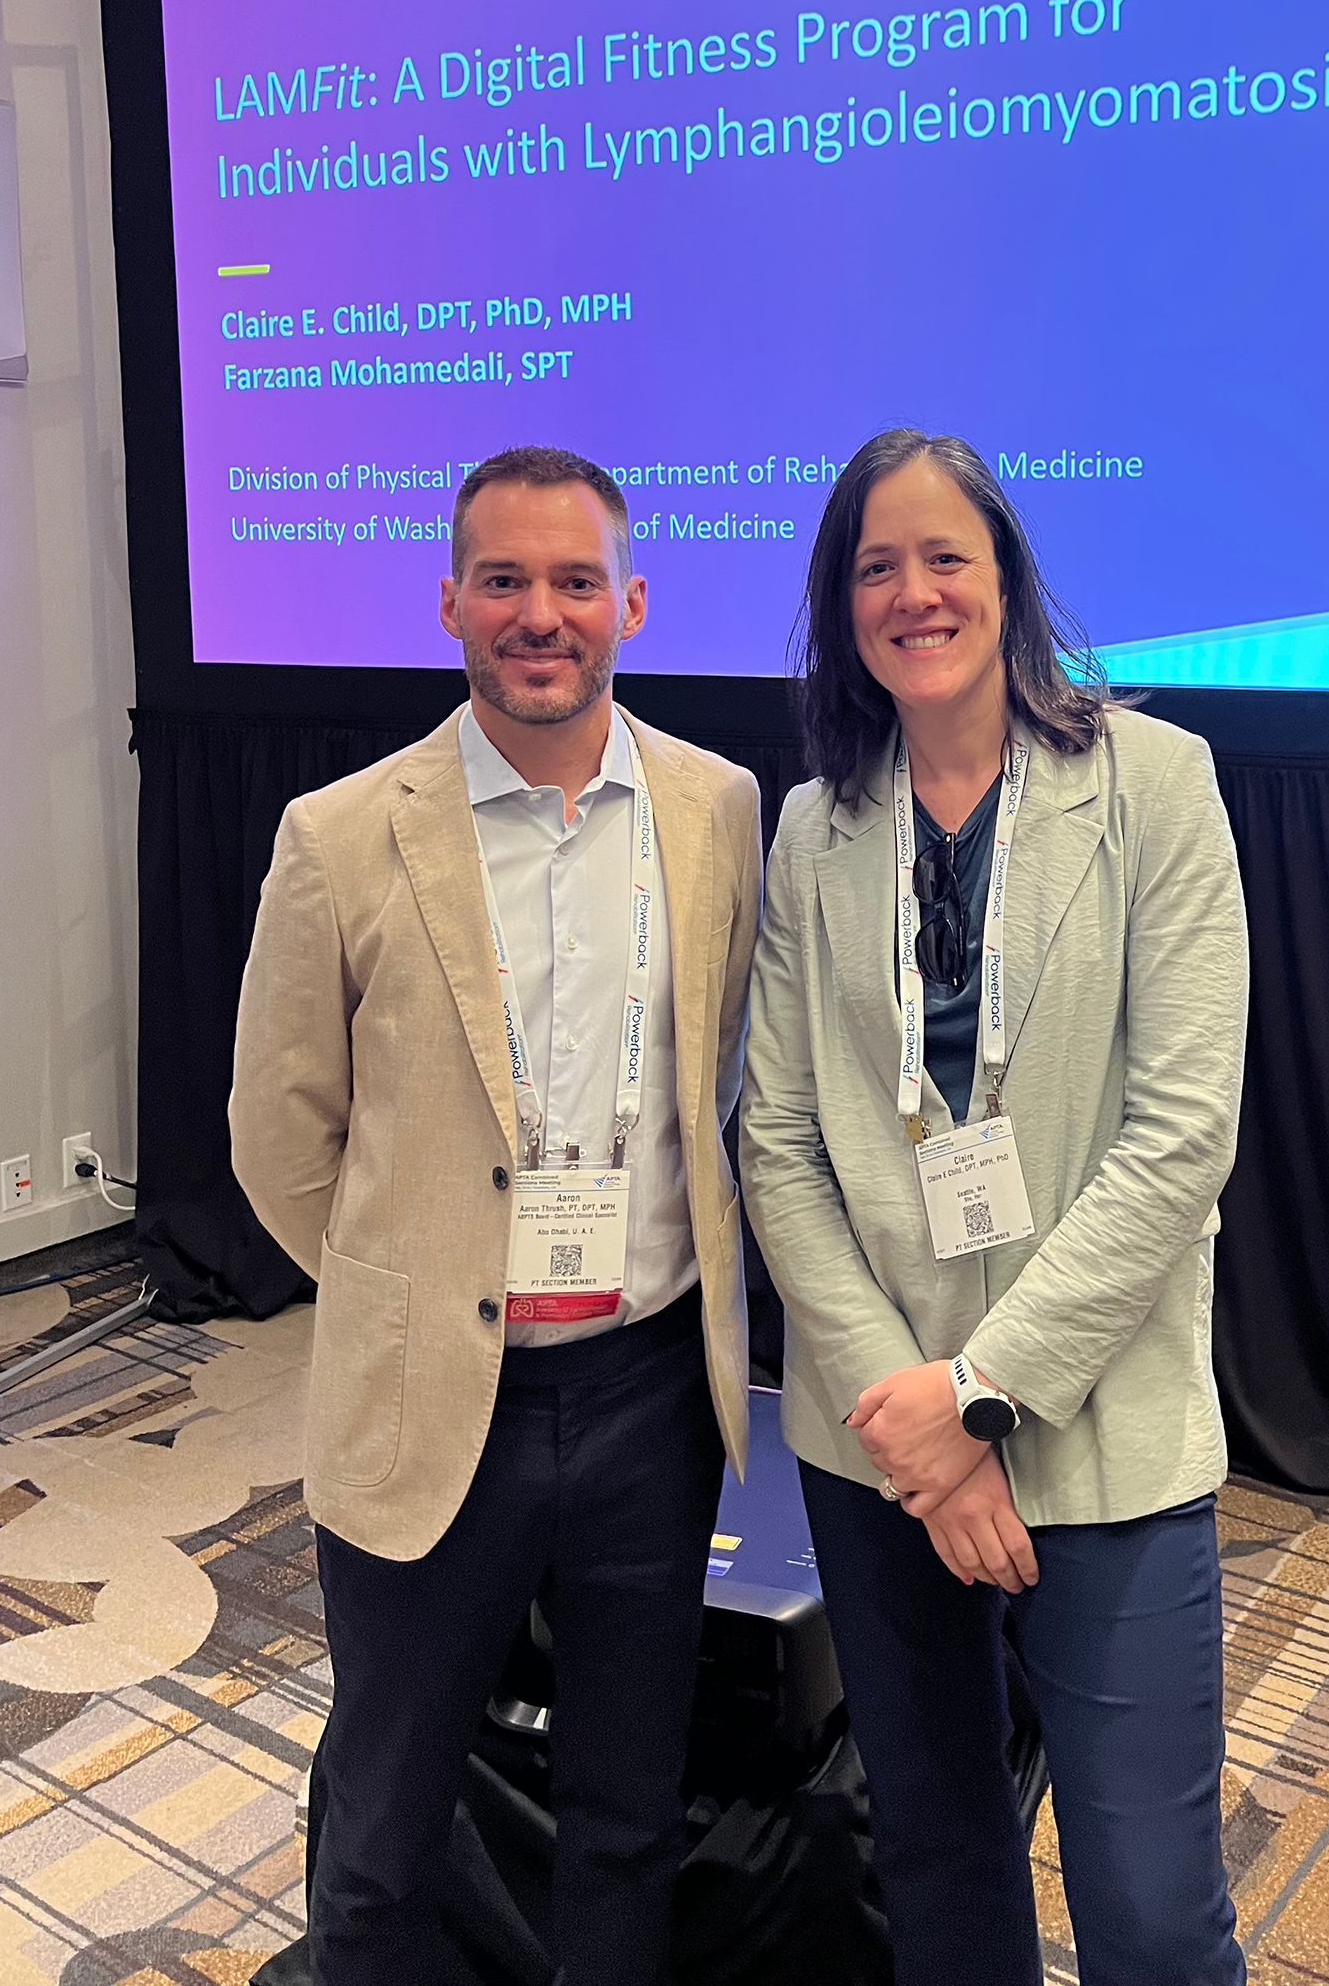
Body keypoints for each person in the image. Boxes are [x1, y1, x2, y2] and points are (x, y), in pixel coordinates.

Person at [230, 444, 762, 1986]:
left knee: (626, 1815)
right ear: (450, 601)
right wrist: (411, 1285)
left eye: (576, 581)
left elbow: (722, 1077)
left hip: (649, 1394)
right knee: (384, 1832)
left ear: (633, 605)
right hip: (430, 1396)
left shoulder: (717, 809)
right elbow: (279, 1136)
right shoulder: (342, 835)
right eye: (506, 580)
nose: (542, 614)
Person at [740, 428, 1249, 1986]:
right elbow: (780, 1144)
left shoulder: (1155, 784)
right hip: (876, 1434)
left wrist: (981, 1397)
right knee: (941, 1867)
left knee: (1151, 1909)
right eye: (875, 567)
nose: (914, 592)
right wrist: (917, 1421)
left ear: (1007, 580)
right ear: (843, 607)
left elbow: (1182, 1138)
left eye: (944, 556)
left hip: (1099, 1421)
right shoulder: (816, 829)